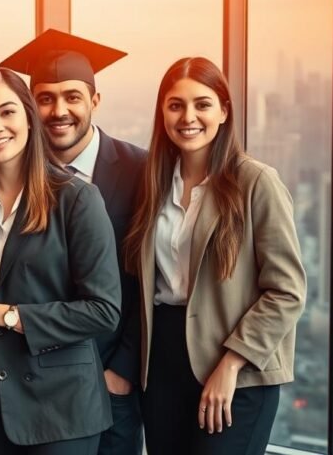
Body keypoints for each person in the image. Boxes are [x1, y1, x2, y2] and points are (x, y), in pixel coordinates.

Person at [124, 57, 306, 455]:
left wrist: (231, 364)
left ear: (224, 111)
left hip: (235, 364)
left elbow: (287, 292)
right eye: (175, 105)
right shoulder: (153, 184)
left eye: (202, 104)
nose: (188, 116)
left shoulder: (256, 182)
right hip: (163, 365)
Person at [0, 66, 121, 455]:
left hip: (61, 411)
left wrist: (5, 315)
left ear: (28, 117)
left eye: (7, 111)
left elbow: (103, 311)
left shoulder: (77, 199)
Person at [0, 29, 147, 455]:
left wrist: (121, 369)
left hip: (110, 374)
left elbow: (151, 281)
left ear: (95, 101)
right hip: (34, 378)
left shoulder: (140, 171)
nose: (58, 110)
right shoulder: (10, 177)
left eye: (72, 97)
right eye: (45, 98)